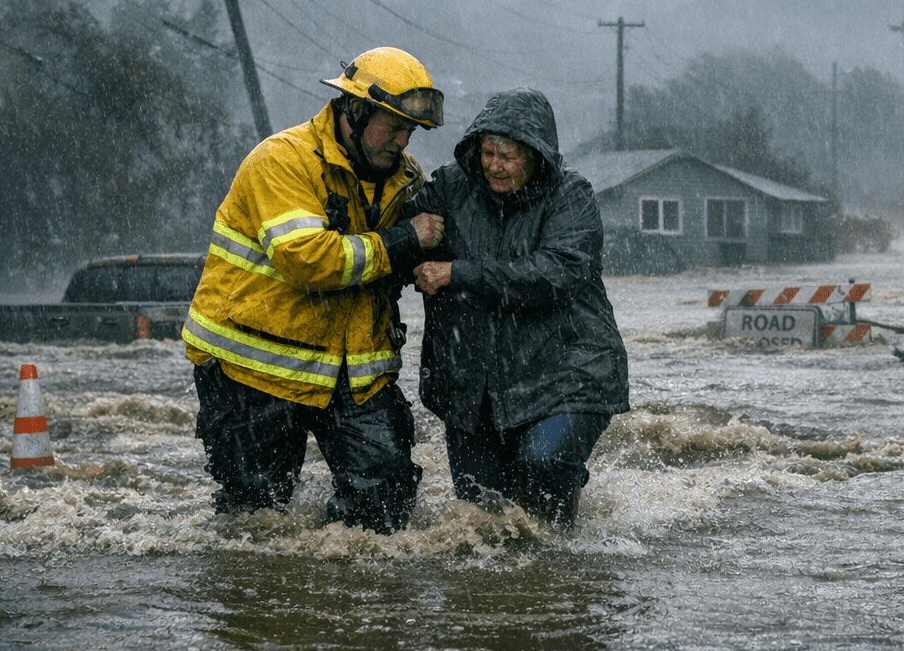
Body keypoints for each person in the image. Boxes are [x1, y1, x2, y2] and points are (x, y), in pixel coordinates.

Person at [182, 47, 447, 534]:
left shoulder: (406, 179)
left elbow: (398, 264)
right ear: (354, 110)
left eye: (410, 131)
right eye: (392, 126)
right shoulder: (283, 161)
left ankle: (348, 606)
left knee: (383, 510)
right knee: (255, 520)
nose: (403, 141)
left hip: (354, 373)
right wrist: (406, 239)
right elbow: (307, 259)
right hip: (252, 372)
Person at [407, 87, 629, 527]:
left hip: (568, 372)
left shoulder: (571, 196)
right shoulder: (452, 187)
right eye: (488, 152)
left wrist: (459, 272)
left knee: (542, 470)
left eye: (508, 155)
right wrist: (403, 230)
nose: (495, 164)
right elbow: (400, 237)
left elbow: (555, 273)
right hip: (474, 382)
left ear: (536, 155)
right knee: (480, 513)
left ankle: (560, 577)